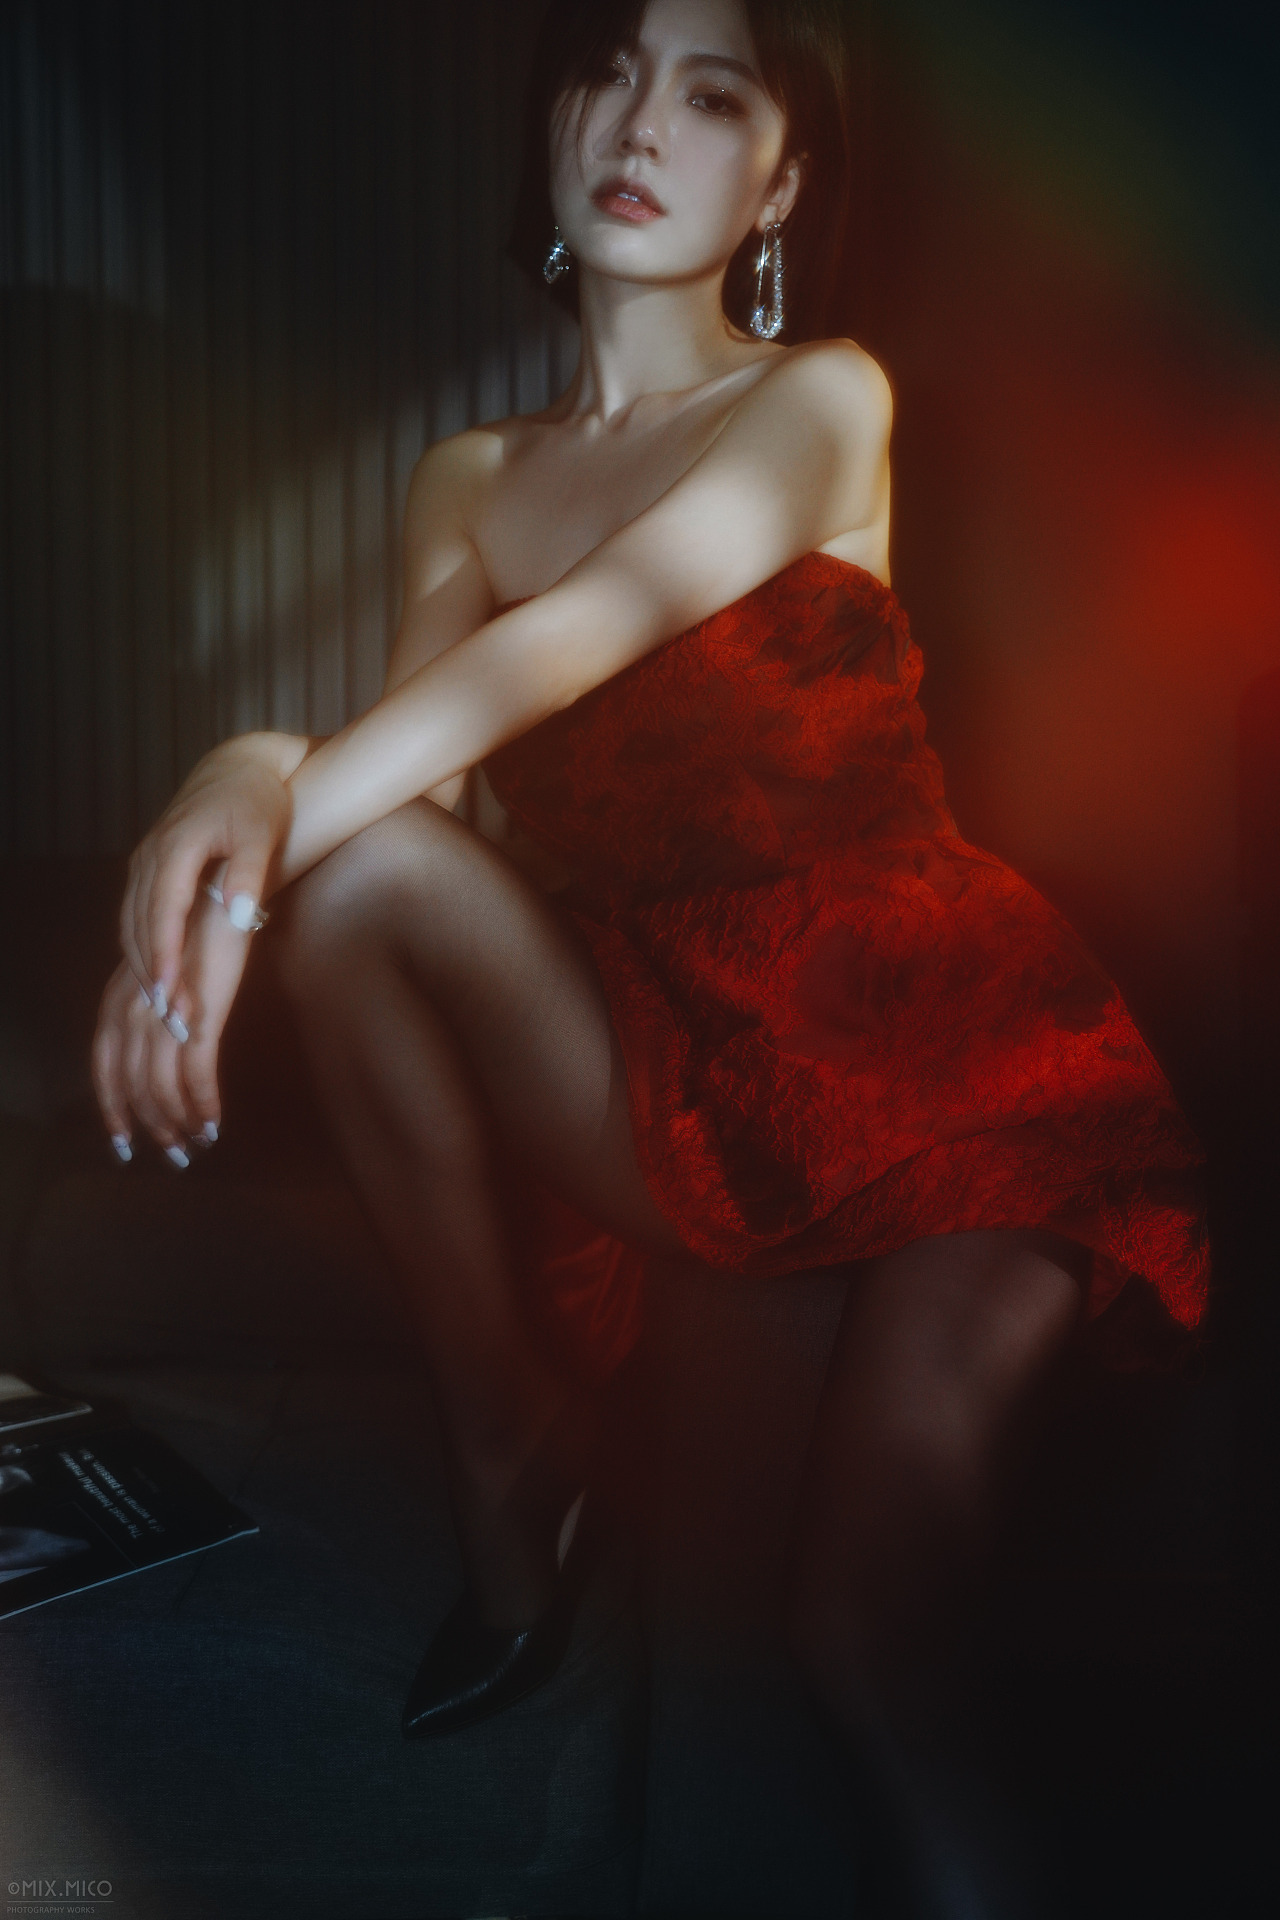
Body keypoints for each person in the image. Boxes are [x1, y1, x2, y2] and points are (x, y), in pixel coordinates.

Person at [91, 0, 1210, 1910]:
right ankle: (508, 1435)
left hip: (947, 1053)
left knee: (869, 1626)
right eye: (604, 70)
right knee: (361, 887)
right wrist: (246, 778)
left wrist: (239, 820)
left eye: (710, 93)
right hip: (674, 1057)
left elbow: (565, 645)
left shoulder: (825, 396)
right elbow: (413, 806)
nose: (635, 122)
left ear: (779, 182)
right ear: (552, 117)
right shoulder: (467, 477)